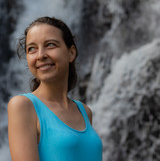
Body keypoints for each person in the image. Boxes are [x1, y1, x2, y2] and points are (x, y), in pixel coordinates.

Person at [8, 16, 103, 161]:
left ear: (71, 53)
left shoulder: (85, 112)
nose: (40, 55)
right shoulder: (23, 106)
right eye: (32, 49)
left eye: (50, 45)